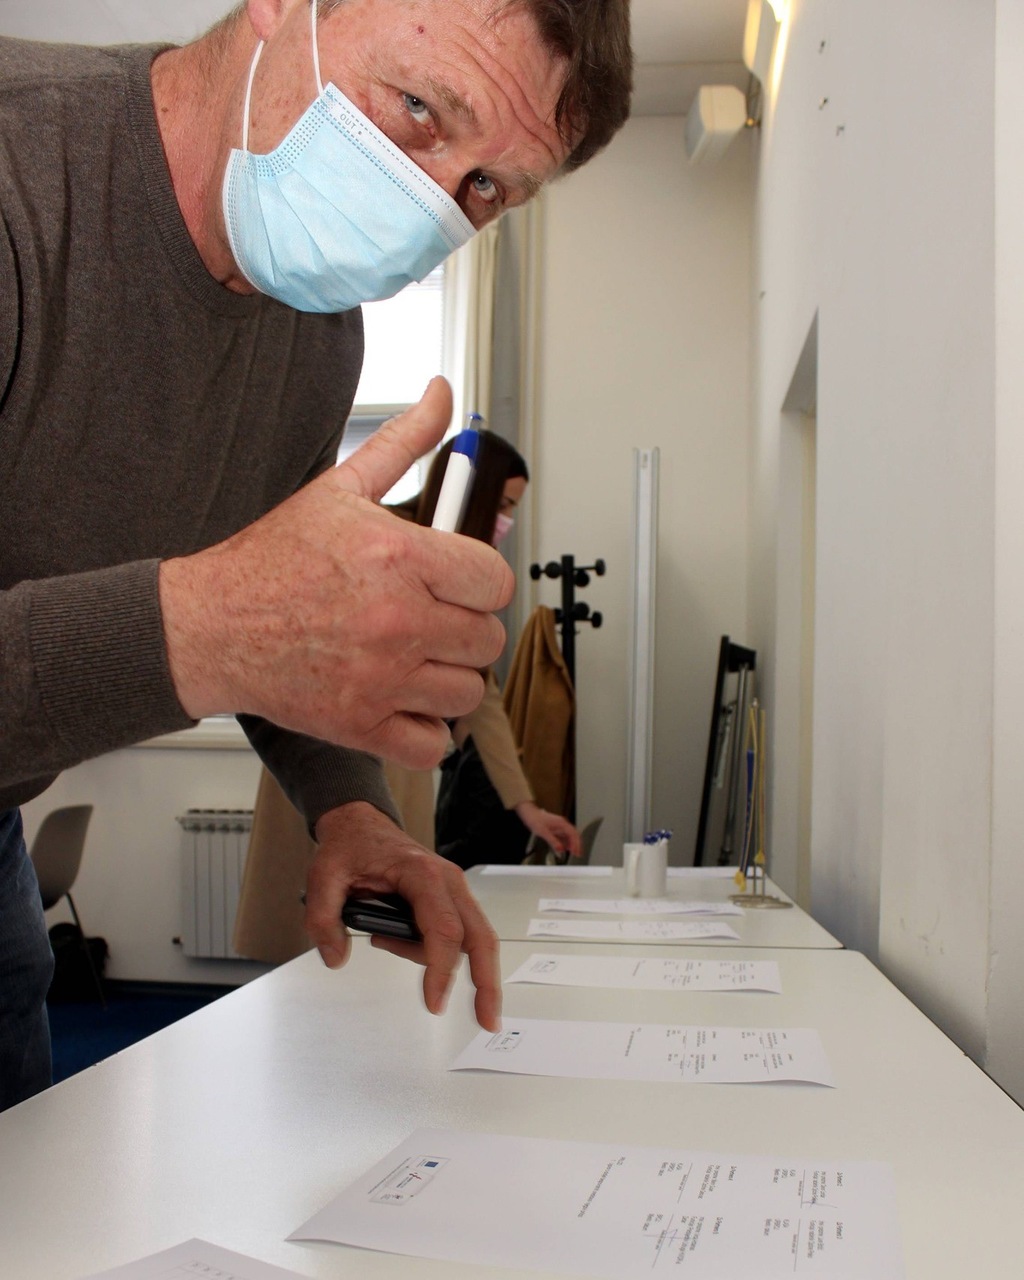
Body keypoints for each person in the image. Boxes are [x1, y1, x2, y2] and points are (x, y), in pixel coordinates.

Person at [0, 0, 632, 1109]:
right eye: (419, 107)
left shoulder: (317, 329)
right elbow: (244, 617)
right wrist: (204, 629)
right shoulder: (23, 172)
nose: (431, 204)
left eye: (489, 187)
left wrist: (353, 810)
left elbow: (288, 610)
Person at [388, 432, 582, 866]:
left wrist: (527, 809)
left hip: (398, 769)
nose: (506, 521)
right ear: (474, 494)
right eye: (503, 505)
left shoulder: (462, 572)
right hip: (339, 758)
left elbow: (482, 698)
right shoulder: (387, 539)